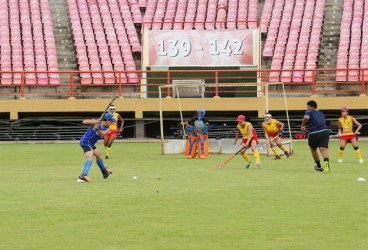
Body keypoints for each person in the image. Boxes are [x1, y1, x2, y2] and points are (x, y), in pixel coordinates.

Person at [77, 113, 116, 182]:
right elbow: (84, 121)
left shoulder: (107, 128)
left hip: (91, 143)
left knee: (98, 154)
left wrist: (97, 129)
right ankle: (83, 175)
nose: (112, 123)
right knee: (90, 157)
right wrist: (93, 122)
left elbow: (102, 134)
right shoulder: (96, 122)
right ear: (107, 120)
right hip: (85, 141)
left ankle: (105, 173)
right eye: (111, 121)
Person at [301, 100, 330, 173]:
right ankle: (326, 166)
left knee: (313, 149)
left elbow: (306, 118)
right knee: (323, 149)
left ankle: (319, 166)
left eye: (308, 107)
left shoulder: (309, 112)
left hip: (314, 133)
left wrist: (303, 125)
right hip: (325, 132)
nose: (307, 108)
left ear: (312, 107)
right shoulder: (321, 113)